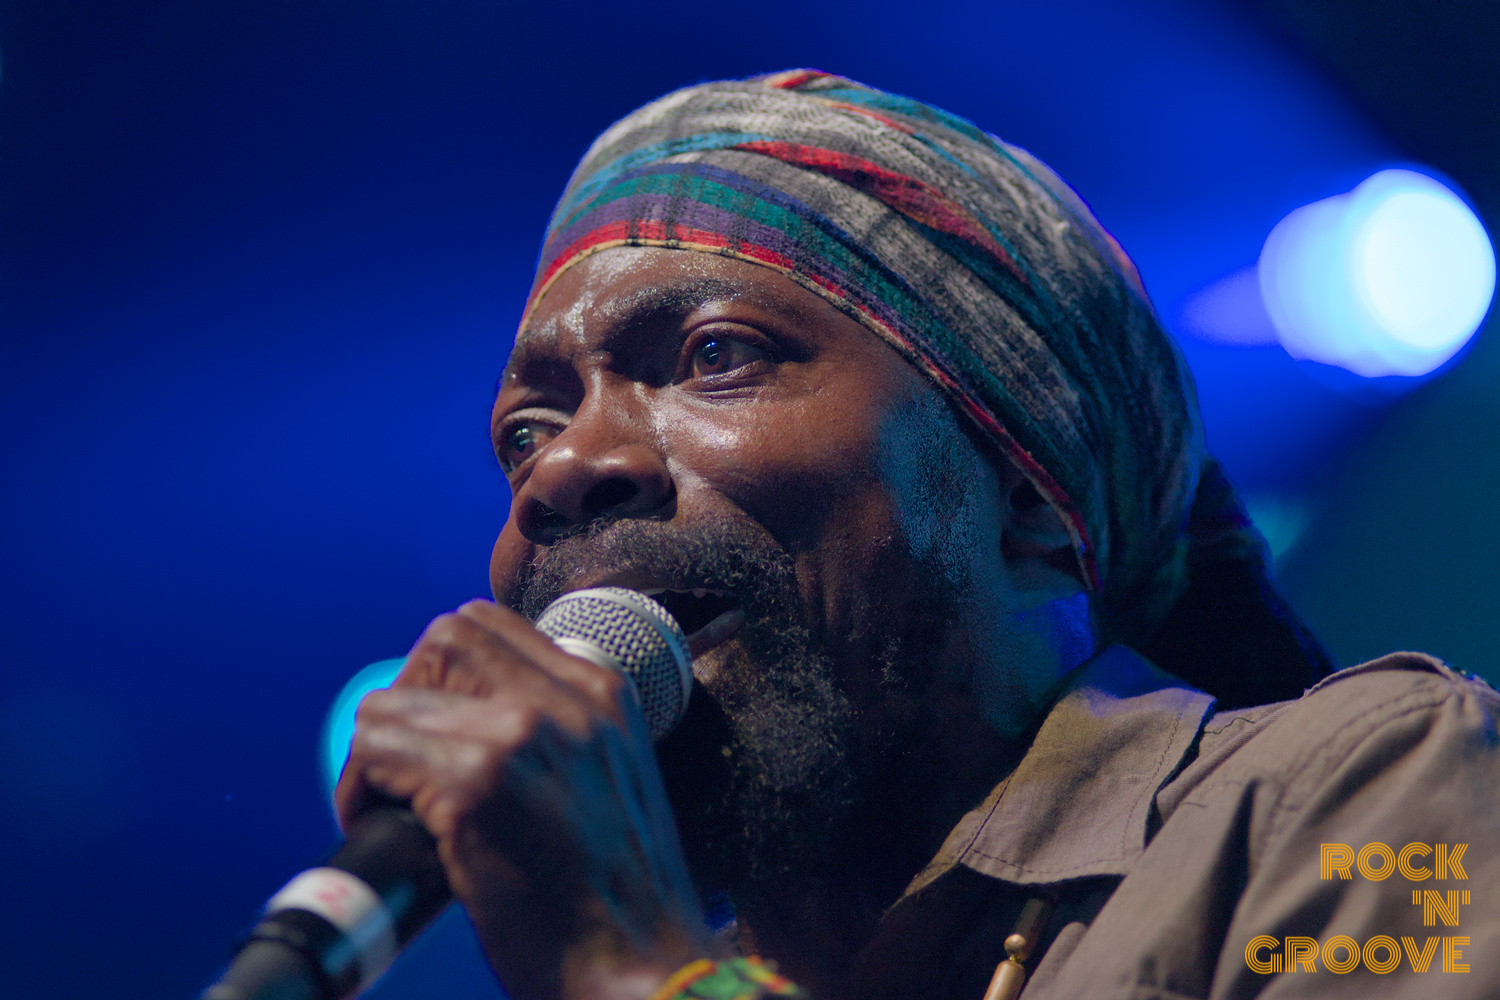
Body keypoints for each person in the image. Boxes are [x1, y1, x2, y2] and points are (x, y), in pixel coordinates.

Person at [334, 71, 1500, 1000]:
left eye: (716, 355)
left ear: (1027, 492)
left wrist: (631, 970)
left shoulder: (1365, 792)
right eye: (526, 432)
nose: (562, 470)